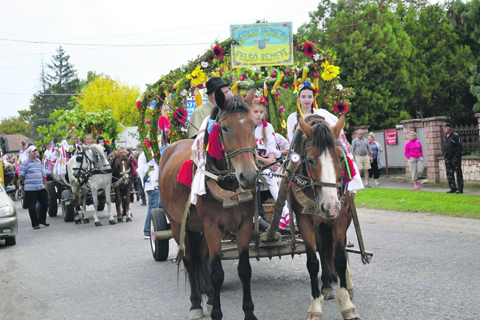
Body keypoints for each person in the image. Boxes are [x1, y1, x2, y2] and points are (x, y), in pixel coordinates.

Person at [286, 81, 364, 192]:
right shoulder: (292, 117)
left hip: (322, 148)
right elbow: (291, 137)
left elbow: (336, 127)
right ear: (298, 98)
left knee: (341, 157)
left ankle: (347, 185)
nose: (306, 100)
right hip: (303, 149)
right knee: (285, 171)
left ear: (313, 99)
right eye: (303, 97)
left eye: (309, 97)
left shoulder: (322, 113)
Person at [250, 97, 288, 230]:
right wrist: (267, 162)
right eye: (255, 111)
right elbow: (252, 152)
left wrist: (272, 160)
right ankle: (285, 211)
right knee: (271, 178)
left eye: (261, 112)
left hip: (269, 161)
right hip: (257, 163)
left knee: (282, 176)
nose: (259, 114)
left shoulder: (267, 127)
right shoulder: (248, 127)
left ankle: (284, 217)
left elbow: (272, 146)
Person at [18, 146, 50, 229]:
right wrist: (27, 182)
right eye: (33, 151)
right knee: (31, 207)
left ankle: (42, 220)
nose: (35, 152)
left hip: (40, 186)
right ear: (29, 153)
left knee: (45, 203)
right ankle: (35, 223)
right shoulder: (25, 163)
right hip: (30, 188)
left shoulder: (39, 161)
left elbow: (43, 172)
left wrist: (51, 173)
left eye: (36, 151)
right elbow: (21, 176)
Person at [137, 148, 161, 239]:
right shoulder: (148, 154)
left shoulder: (144, 154)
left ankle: (157, 228)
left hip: (150, 185)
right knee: (153, 208)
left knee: (159, 207)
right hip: (152, 184)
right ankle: (147, 231)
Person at [443, 123, 463, 194]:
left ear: (449, 128)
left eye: (445, 127)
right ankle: (452, 188)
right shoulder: (445, 136)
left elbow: (459, 147)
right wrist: (445, 157)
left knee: (458, 173)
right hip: (447, 157)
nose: (443, 129)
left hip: (455, 157)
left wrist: (456, 156)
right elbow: (445, 148)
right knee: (449, 173)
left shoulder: (455, 136)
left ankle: (460, 188)